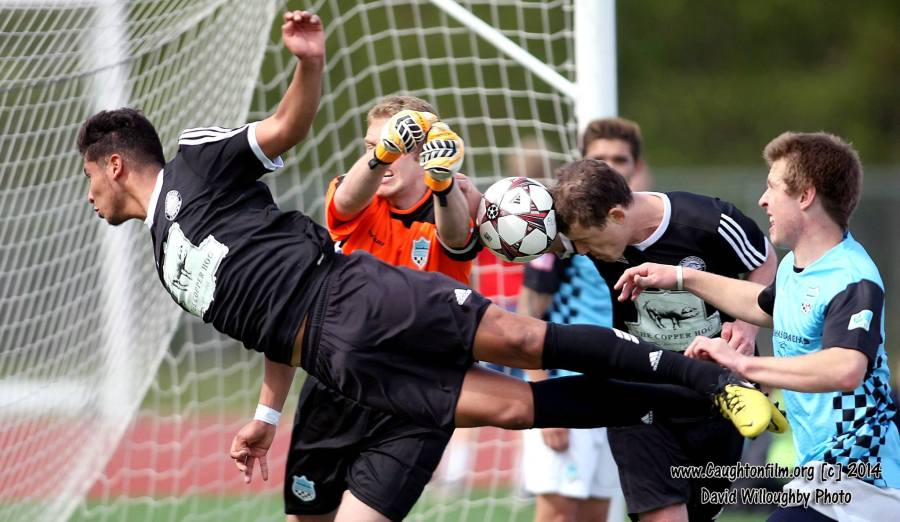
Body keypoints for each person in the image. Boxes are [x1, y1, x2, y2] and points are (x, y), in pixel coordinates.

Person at [77, 10, 781, 521]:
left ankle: (697, 379)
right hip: (336, 366)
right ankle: (677, 390)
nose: (87, 194)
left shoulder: (201, 161)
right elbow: (284, 291)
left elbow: (314, 152)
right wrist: (267, 410)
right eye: (375, 145)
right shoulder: (173, 258)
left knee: (525, 346)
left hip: (366, 303)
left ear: (114, 163)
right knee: (512, 411)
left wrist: (324, 76)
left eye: (89, 176)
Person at [615, 131, 900, 521]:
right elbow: (761, 306)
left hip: (864, 484)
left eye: (773, 187)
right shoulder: (796, 266)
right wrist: (682, 277)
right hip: (821, 479)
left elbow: (845, 367)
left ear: (805, 196)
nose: (764, 200)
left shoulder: (851, 277)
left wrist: (742, 365)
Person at [237, 94, 482, 521]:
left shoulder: (454, 201)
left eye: (393, 147)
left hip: (413, 398)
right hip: (338, 385)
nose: (377, 156)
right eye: (370, 146)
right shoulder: (356, 195)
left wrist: (443, 182)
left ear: (426, 153)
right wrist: (383, 152)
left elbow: (457, 237)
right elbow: (347, 199)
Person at [550, 157, 780, 522]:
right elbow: (530, 237)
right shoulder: (588, 231)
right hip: (636, 389)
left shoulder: (711, 221)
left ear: (617, 216)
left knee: (700, 512)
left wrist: (745, 325)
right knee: (662, 514)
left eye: (586, 241)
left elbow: (763, 262)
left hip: (715, 390)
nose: (580, 252)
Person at [517, 119, 650, 522]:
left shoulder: (646, 232)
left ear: (635, 166)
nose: (611, 166)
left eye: (620, 159)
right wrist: (542, 399)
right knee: (558, 513)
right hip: (567, 385)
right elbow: (529, 313)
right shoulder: (561, 235)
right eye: (600, 158)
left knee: (599, 511)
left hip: (623, 391)